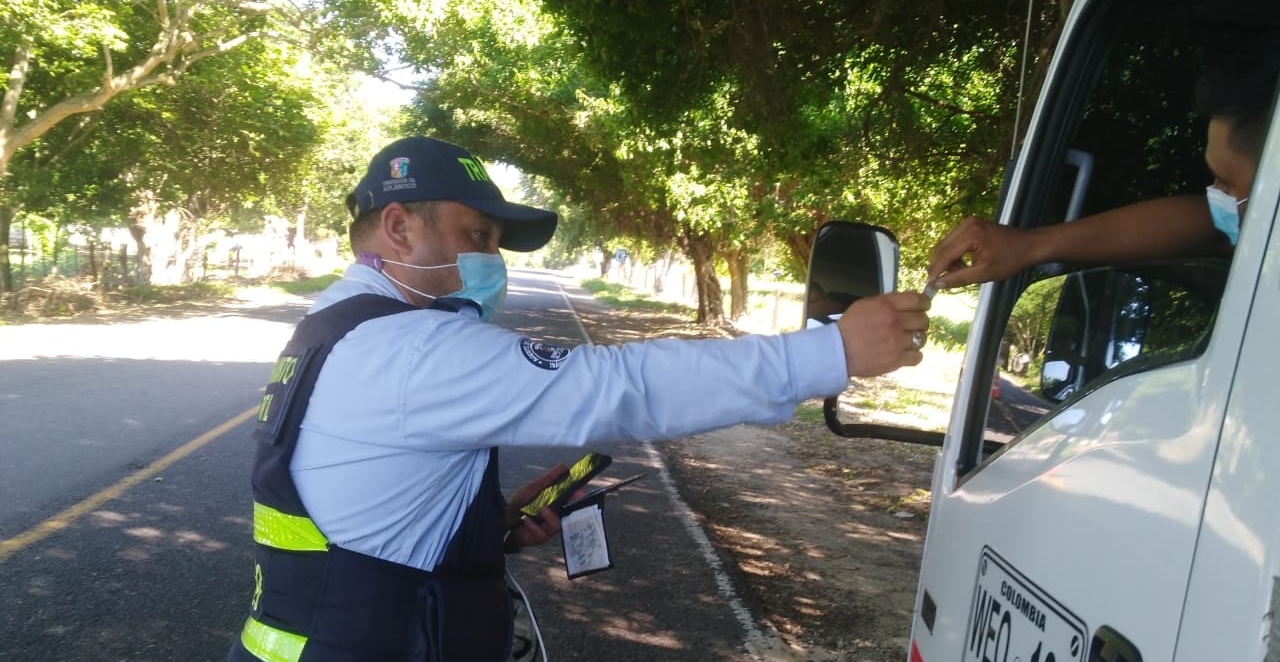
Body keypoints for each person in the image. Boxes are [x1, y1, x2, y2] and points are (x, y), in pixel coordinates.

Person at [226, 135, 932, 662]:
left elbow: (362, 506)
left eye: (496, 244)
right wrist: (827, 353)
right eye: (477, 236)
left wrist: (486, 526)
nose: (492, 262)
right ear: (401, 227)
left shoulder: (338, 325)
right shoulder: (411, 347)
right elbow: (619, 389)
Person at [928, 37, 1279, 289]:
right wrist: (1027, 246)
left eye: (1227, 183)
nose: (1214, 197)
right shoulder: (1251, 225)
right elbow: (1203, 224)